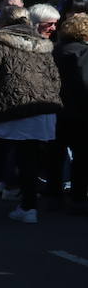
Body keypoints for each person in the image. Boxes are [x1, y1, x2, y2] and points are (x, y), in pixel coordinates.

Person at [0, 3, 62, 222]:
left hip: (8, 107)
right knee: (29, 159)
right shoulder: (43, 43)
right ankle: (29, 208)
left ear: (2, 21)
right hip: (41, 108)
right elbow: (55, 78)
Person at [54, 12, 88, 213]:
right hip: (80, 111)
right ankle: (77, 195)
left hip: (56, 109)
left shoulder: (56, 51)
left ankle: (54, 193)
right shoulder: (84, 53)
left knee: (56, 154)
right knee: (81, 155)